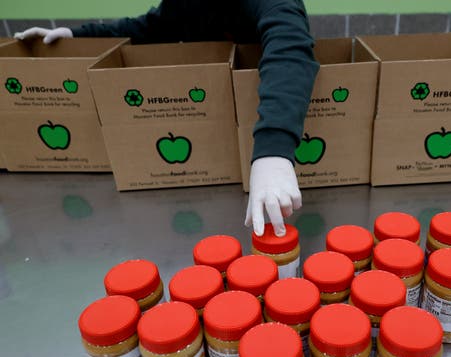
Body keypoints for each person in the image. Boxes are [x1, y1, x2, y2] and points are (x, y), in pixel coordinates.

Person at [14, 0, 319, 237]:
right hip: (211, 142)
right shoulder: (184, 4)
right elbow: (150, 27)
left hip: (277, 119)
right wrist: (77, 36)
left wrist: (274, 151)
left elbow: (289, 46)